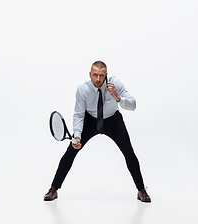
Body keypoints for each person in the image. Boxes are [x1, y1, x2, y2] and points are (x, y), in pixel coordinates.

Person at [44, 61, 151, 203]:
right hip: (90, 120)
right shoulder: (83, 89)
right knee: (70, 152)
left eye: (102, 75)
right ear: (90, 74)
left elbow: (133, 105)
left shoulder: (115, 84)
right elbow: (78, 114)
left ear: (106, 75)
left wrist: (117, 97)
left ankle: (141, 190)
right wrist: (77, 135)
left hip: (113, 120)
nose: (98, 79)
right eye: (95, 75)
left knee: (129, 152)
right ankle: (54, 189)